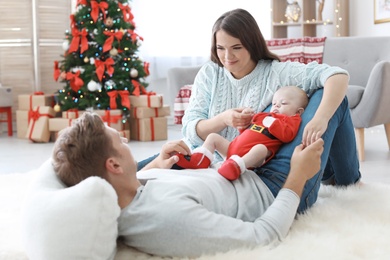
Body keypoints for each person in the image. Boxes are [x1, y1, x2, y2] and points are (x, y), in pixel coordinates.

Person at [52, 112, 324, 258]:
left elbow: (140, 182)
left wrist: (158, 163)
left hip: (244, 166)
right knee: (325, 98)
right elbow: (263, 236)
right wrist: (299, 175)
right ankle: (344, 177)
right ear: (113, 166)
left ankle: (340, 174)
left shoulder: (128, 188)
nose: (126, 142)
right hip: (273, 187)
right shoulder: (165, 218)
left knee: (302, 98)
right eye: (120, 142)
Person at [180, 8, 361, 213]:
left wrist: (321, 118)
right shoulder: (210, 73)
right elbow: (188, 130)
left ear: (252, 44)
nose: (227, 56)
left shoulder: (275, 72)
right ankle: (345, 179)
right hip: (228, 163)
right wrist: (224, 119)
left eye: (236, 47)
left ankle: (342, 179)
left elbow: (337, 75)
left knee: (328, 94)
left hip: (263, 165)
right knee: (163, 160)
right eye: (220, 48)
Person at [176, 85, 309, 181]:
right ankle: (200, 160)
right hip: (233, 148)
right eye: (274, 103)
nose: (276, 106)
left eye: (283, 103)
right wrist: (245, 119)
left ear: (298, 112)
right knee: (213, 137)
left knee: (260, 148)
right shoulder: (264, 116)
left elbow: (288, 136)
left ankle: (237, 167)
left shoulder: (291, 120)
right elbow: (246, 130)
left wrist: (273, 123)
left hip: (252, 158)